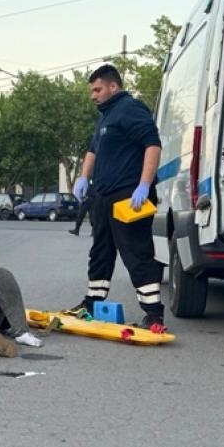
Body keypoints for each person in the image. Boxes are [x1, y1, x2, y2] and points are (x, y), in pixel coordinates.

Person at [71, 64, 165, 331]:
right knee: (100, 252)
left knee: (137, 253)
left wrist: (144, 185)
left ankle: (154, 314)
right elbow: (93, 150)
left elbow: (152, 145)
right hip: (102, 196)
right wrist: (83, 177)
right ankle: (92, 302)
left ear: (114, 86)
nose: (93, 95)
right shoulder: (105, 116)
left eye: (97, 89)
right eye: (91, 90)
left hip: (128, 196)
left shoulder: (131, 108)